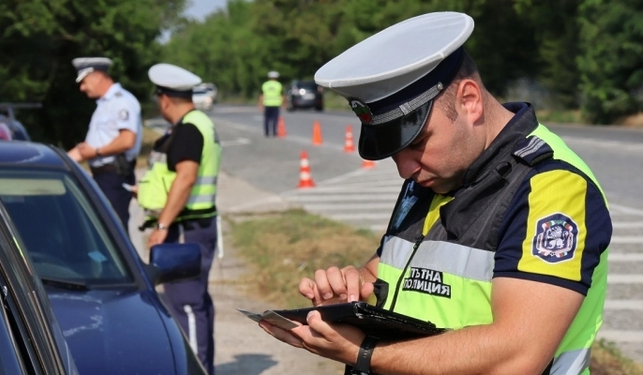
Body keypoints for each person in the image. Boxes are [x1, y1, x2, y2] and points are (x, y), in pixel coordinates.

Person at [258, 12, 613, 375]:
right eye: (394, 151)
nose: (405, 169)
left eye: (417, 143)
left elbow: (517, 355)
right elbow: (393, 271)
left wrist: (365, 353)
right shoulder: (438, 172)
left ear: (470, 100)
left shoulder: (551, 187)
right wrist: (354, 287)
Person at [137, 63, 222, 374]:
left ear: (164, 99)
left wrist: (162, 226)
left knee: (186, 303)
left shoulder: (188, 128)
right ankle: (202, 367)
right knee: (194, 301)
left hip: (186, 227)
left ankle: (197, 370)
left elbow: (185, 178)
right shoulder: (198, 123)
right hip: (194, 225)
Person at [67, 57, 142, 228]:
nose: (82, 88)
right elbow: (87, 148)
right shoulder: (103, 105)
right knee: (102, 227)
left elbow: (127, 140)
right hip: (103, 177)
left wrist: (96, 152)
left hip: (114, 176)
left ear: (97, 77)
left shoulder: (121, 101)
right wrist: (55, 161)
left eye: (84, 82)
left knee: (114, 229)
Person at [259, 70, 285, 137]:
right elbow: (282, 95)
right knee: (275, 119)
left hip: (267, 103)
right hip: (276, 104)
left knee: (267, 118)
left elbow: (262, 95)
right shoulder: (279, 85)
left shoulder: (265, 85)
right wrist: (284, 103)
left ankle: (266, 132)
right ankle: (274, 132)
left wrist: (260, 104)